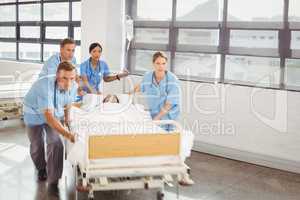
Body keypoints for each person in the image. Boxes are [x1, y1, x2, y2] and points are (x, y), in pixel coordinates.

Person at [23, 61, 79, 196]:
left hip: (54, 113)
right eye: (65, 78)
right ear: (57, 75)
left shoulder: (73, 85)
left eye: (72, 78)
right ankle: (41, 168)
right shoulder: (44, 86)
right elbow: (49, 117)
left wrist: (66, 119)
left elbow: (68, 102)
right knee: (37, 144)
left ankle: (54, 179)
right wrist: (68, 134)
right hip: (34, 114)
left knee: (56, 143)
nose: (68, 83)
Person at [134, 51, 180, 130]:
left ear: (166, 64)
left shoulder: (172, 80)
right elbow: (139, 88)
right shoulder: (148, 76)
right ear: (153, 63)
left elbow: (169, 104)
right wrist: (126, 95)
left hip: (168, 116)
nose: (161, 66)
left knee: (165, 135)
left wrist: (156, 119)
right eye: (158, 63)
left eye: (163, 63)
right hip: (153, 114)